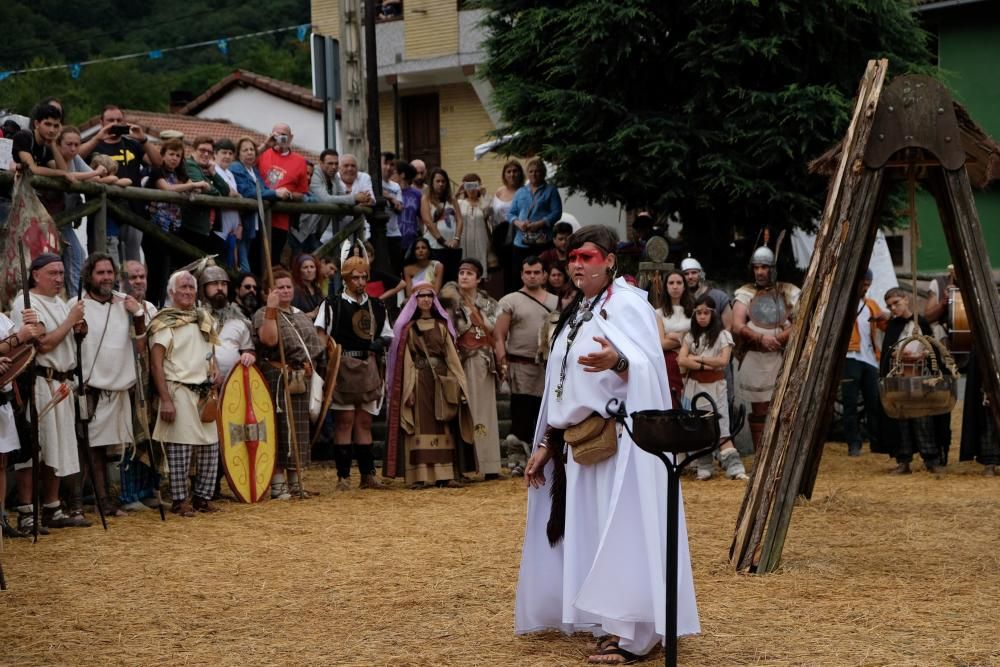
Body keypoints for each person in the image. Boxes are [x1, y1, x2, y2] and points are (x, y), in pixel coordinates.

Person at [516, 225, 699, 663]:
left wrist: (617, 361)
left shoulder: (628, 304)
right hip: (581, 445)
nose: (577, 264)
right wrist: (547, 443)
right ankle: (607, 621)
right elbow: (563, 387)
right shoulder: (580, 307)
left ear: (610, 261)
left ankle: (635, 632)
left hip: (623, 443)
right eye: (573, 257)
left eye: (588, 257)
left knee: (623, 532)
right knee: (594, 534)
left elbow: (649, 366)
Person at [11, 255, 87, 533]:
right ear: (35, 275)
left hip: (62, 383)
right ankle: (26, 512)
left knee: (59, 445)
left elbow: (65, 339)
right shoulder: (25, 301)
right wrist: (70, 320)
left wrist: (78, 329)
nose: (58, 278)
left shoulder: (61, 303)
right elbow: (42, 344)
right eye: (52, 273)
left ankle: (52, 507)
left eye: (61, 273)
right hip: (39, 382)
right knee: (35, 448)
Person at [74, 253, 145, 518]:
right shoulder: (77, 305)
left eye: (109, 272)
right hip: (92, 389)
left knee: (113, 448)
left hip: (119, 389)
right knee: (91, 447)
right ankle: (97, 501)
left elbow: (140, 346)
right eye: (100, 272)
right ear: (89, 276)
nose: (106, 277)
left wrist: (137, 315)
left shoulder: (124, 304)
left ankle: (109, 499)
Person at [383, 283, 474, 488]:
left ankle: (447, 473)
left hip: (441, 382)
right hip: (419, 380)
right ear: (415, 300)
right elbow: (405, 360)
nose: (425, 300)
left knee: (445, 423)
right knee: (421, 425)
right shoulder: (409, 330)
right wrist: (408, 389)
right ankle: (420, 475)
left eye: (429, 296)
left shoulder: (442, 327)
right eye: (421, 296)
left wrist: (459, 384)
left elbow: (452, 357)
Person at [314, 256, 392, 490]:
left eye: (363, 277)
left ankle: (368, 475)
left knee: (365, 422)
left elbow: (389, 333)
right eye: (355, 277)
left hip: (368, 366)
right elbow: (321, 337)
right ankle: (343, 477)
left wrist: (381, 342)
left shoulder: (377, 306)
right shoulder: (332, 304)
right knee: (345, 421)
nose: (360, 281)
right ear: (346, 279)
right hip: (343, 366)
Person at [148, 271, 222, 516]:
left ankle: (202, 497)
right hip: (178, 389)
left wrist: (217, 373)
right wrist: (166, 399)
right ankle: (180, 500)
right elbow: (156, 364)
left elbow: (211, 352)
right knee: (180, 447)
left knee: (210, 446)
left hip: (203, 391)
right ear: (172, 292)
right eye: (183, 287)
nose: (188, 291)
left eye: (191, 287)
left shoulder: (204, 319)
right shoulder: (164, 322)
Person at [254, 267, 326, 498]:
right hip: (278, 377)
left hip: (301, 378)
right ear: (269, 291)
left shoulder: (299, 314)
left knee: (299, 432)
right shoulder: (263, 313)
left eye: (288, 286)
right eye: (279, 287)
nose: (285, 290)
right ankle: (278, 484)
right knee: (280, 430)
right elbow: (270, 339)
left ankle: (296, 483)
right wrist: (271, 310)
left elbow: (315, 347)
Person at [494, 257, 559, 476]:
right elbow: (499, 335)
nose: (532, 276)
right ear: (522, 274)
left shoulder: (556, 301)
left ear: (544, 275)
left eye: (536, 272)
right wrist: (502, 362)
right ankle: (517, 460)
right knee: (521, 412)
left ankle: (544, 457)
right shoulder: (509, 300)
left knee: (546, 412)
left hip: (547, 366)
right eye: (528, 272)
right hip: (519, 364)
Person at [732, 245, 800, 451]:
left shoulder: (790, 291)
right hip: (755, 357)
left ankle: (781, 454)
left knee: (783, 407)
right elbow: (737, 324)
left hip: (781, 357)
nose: (760, 272)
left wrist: (780, 337)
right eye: (756, 267)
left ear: (773, 268)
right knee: (760, 410)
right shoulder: (745, 292)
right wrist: (760, 338)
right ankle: (761, 454)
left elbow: (802, 321)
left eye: (764, 267)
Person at [440, 258, 502, 479]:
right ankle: (463, 466)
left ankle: (489, 465)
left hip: (484, 360)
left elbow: (497, 332)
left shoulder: (489, 303)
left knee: (485, 411)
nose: (464, 276)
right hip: (459, 359)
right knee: (462, 412)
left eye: (469, 273)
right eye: (461, 272)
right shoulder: (449, 300)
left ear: (478, 278)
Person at [79, 104, 162, 262]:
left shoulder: (133, 145)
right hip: (102, 214)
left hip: (133, 213)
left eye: (119, 120)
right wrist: (97, 138)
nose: (115, 123)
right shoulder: (93, 144)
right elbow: (74, 158)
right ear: (102, 122)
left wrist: (143, 139)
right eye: (111, 120)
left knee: (133, 265)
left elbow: (157, 163)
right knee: (106, 264)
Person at [678, 295, 747, 481]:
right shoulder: (690, 336)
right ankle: (704, 465)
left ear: (713, 314)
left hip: (716, 387)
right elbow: (681, 360)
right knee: (700, 426)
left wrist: (697, 359)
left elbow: (723, 361)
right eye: (698, 313)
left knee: (721, 425)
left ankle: (733, 466)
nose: (702, 316)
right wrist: (705, 365)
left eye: (705, 313)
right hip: (694, 387)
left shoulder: (723, 335)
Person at [880, 288, 946, 476]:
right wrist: (898, 353)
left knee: (923, 419)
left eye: (896, 303)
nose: (893, 308)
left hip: (920, 378)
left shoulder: (922, 323)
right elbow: (888, 351)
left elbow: (933, 349)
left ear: (906, 300)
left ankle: (931, 459)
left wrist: (923, 354)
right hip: (899, 379)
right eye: (889, 306)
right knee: (901, 420)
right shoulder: (892, 326)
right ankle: (904, 461)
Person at [147, 138, 211, 304]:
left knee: (169, 269)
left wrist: (198, 185)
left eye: (178, 155)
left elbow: (199, 186)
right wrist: (192, 186)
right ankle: (153, 304)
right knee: (156, 268)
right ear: (163, 155)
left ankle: (166, 303)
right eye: (171, 154)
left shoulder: (180, 174)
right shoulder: (157, 171)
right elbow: (167, 189)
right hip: (154, 226)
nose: (174, 158)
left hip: (173, 228)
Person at [0, 302, 45, 537]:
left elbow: (21, 350)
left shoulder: (2, 319)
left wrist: (32, 325)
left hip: (2, 400)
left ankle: (1, 520)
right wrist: (20, 336)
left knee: (1, 463)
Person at [843, 269, 885, 457]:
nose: (865, 287)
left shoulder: (871, 305)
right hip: (850, 356)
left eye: (868, 284)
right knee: (850, 402)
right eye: (863, 283)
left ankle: (876, 442)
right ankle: (853, 443)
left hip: (870, 359)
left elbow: (885, 324)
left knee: (874, 402)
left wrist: (887, 315)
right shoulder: (844, 302)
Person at [257, 123, 310, 265]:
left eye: (283, 135)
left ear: (291, 138)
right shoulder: (262, 153)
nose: (280, 138)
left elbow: (302, 193)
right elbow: (243, 162)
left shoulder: (300, 161)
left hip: (280, 221)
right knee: (254, 259)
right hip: (256, 216)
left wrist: (289, 195)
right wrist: (266, 145)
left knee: (273, 261)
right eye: (276, 134)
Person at [507, 158, 562, 291]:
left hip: (542, 241)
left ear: (543, 173)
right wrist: (518, 223)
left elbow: (556, 212)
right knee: (519, 275)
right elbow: (510, 213)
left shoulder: (551, 190)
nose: (534, 174)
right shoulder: (521, 191)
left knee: (541, 273)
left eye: (537, 171)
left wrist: (540, 223)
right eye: (531, 171)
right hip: (521, 241)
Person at [230, 137, 277, 274]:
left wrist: (272, 193)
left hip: (254, 223)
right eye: (245, 150)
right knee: (243, 264)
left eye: (251, 149)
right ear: (238, 154)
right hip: (242, 222)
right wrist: (276, 193)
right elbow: (248, 191)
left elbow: (263, 189)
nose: (249, 153)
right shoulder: (236, 167)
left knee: (251, 261)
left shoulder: (254, 170)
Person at [200, 265, 256, 380]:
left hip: (233, 386)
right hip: (200, 383)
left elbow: (249, 350)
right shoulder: (194, 318)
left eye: (224, 284)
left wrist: (249, 356)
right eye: (215, 283)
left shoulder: (238, 320)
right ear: (204, 287)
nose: (220, 288)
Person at [184, 136, 235, 257]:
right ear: (193, 150)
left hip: (205, 228)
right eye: (202, 150)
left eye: (209, 152)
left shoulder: (206, 169)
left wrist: (214, 173)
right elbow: (208, 190)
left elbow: (225, 190)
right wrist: (213, 190)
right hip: (192, 227)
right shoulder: (190, 165)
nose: (206, 154)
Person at [656, 270, 694, 407]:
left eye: (679, 282)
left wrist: (673, 335)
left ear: (684, 286)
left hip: (692, 363)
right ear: (666, 287)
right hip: (670, 364)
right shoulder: (658, 314)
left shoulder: (694, 312)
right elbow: (661, 344)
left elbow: (698, 338)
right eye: (671, 283)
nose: (675, 286)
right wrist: (683, 337)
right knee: (673, 402)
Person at [421, 167, 464, 284]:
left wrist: (456, 238)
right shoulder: (426, 199)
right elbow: (428, 221)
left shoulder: (452, 199)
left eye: (443, 181)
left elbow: (460, 219)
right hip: (435, 246)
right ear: (432, 182)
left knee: (452, 279)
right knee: (436, 279)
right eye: (438, 181)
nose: (441, 184)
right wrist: (442, 240)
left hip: (454, 246)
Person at [492, 160, 524, 293]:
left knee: (517, 270)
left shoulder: (524, 191)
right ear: (504, 175)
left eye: (515, 171)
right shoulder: (499, 192)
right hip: (500, 235)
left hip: (518, 234)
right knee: (504, 271)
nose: (512, 175)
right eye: (509, 172)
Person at [213, 139, 244, 268]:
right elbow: (227, 193)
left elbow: (235, 197)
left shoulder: (230, 174)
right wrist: (237, 195)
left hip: (232, 230)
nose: (227, 156)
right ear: (215, 154)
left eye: (230, 153)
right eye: (224, 152)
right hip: (218, 230)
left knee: (232, 267)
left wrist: (240, 224)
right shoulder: (213, 170)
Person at [456, 173, 492, 274]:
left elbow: (487, 212)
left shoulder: (483, 202)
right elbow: (449, 206)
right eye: (468, 186)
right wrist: (458, 191)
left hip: (480, 240)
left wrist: (484, 194)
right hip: (463, 241)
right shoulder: (459, 203)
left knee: (481, 269)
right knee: (464, 268)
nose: (471, 190)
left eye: (474, 186)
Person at [382, 152, 405, 274]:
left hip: (394, 232)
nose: (388, 167)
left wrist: (394, 202)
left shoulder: (396, 186)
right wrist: (391, 198)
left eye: (391, 164)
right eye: (385, 163)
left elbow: (400, 208)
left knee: (396, 269)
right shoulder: (372, 182)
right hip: (377, 232)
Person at [395, 160, 423, 255]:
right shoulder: (391, 192)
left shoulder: (416, 194)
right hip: (393, 239)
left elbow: (422, 218)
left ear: (402, 175)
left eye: (394, 172)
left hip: (411, 240)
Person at [291, 254, 325, 320]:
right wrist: (312, 314)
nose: (309, 270)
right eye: (305, 267)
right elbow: (291, 318)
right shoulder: (295, 291)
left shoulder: (317, 290)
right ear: (299, 271)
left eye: (312, 267)